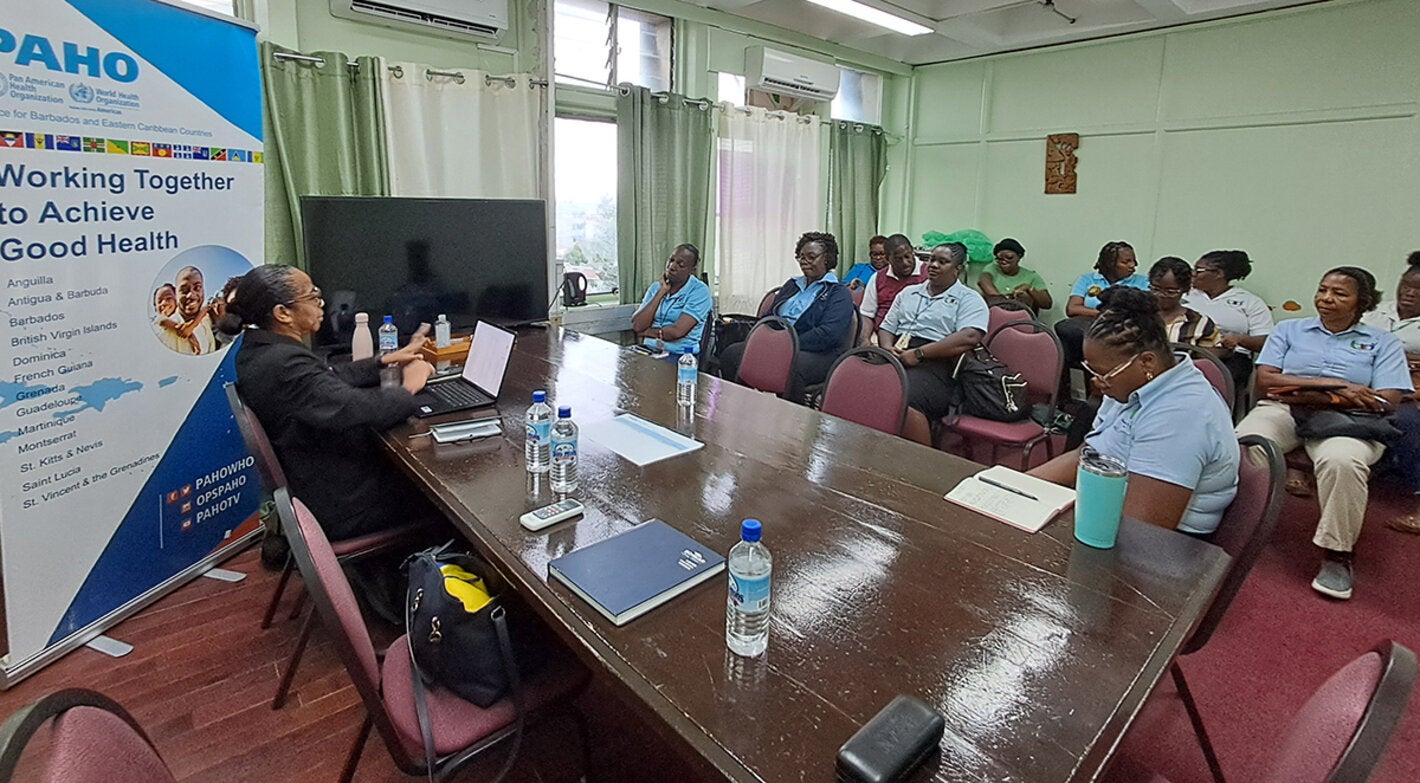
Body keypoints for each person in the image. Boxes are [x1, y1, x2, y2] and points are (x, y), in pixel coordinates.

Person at [218, 265, 438, 540]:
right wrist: (411, 385)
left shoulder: (259, 349)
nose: (321, 304)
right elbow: (360, 409)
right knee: (440, 492)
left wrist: (382, 362)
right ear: (282, 313)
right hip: (347, 506)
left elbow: (325, 377)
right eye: (311, 297)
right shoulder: (284, 364)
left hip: (320, 485)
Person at [1234, 267, 1412, 600]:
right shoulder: (1290, 329)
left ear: (1363, 302)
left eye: (1340, 293)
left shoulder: (1382, 342)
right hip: (1284, 411)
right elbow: (1268, 380)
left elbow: (1387, 400)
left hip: (1348, 421)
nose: (1326, 299)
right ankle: (1239, 525)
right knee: (1245, 443)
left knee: (1343, 461)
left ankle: (1337, 554)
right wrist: (1339, 387)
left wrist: (1313, 392)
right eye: (1322, 290)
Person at [1030, 287, 1239, 533]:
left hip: (1168, 546)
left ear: (1146, 361)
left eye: (1104, 373)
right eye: (1093, 371)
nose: (1097, 381)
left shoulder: (1181, 415)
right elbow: (1088, 455)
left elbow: (1143, 529)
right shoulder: (1130, 386)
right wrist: (1014, 484)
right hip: (1109, 508)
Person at [876, 243, 989, 446]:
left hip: (939, 363)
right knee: (862, 379)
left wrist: (919, 353)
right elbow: (887, 327)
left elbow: (970, 336)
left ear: (958, 269)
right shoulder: (908, 293)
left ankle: (921, 461)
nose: (933, 265)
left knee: (903, 393)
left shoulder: (969, 298)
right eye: (931, 260)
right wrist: (886, 348)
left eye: (942, 262)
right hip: (898, 353)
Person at [717, 231, 855, 397]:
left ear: (826, 258)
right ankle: (744, 405)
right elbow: (768, 318)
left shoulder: (838, 292)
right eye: (801, 257)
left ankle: (793, 420)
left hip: (819, 352)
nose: (804, 262)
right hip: (778, 345)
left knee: (791, 369)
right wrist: (768, 342)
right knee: (732, 354)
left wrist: (787, 345)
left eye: (811, 257)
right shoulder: (793, 284)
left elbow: (828, 334)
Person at [1361, 252, 1420, 533]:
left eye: (1418, 290)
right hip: (1362, 385)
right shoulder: (1374, 312)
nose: (1408, 294)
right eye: (1405, 286)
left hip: (1411, 392)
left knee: (1408, 422)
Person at [1055, 241, 1149, 392]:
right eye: (1126, 261)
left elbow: (1142, 311)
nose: (1133, 265)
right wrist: (1104, 314)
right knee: (1063, 333)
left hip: (1121, 335)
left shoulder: (1142, 282)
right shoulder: (1087, 280)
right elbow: (1072, 309)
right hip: (1087, 332)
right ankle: (1062, 394)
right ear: (1110, 263)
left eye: (1133, 260)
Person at [1183, 249, 1274, 395]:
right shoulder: (1185, 296)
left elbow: (1267, 342)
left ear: (1219, 274)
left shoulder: (1249, 302)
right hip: (1187, 350)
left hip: (1231, 357)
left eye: (1198, 270)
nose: (1193, 274)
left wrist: (1239, 339)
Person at [631, 243, 713, 355]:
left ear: (692, 270)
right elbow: (637, 325)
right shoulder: (656, 287)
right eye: (671, 260)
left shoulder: (699, 291)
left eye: (681, 264)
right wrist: (661, 292)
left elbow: (677, 332)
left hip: (680, 355)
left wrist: (648, 332)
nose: (672, 266)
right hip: (648, 350)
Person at [1148, 257, 1223, 352]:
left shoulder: (1199, 322)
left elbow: (1209, 356)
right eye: (1155, 289)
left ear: (1185, 289)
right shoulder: (1136, 315)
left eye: (1171, 292)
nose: (1161, 295)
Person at [859, 233, 926, 332]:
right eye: (898, 259)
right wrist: (865, 340)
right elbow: (866, 314)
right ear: (887, 259)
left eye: (907, 256)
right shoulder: (877, 278)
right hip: (881, 335)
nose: (905, 263)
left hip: (919, 334)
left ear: (913, 251)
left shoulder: (928, 274)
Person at [978, 238, 1051, 314]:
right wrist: (1004, 300)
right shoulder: (992, 268)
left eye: (1009, 257)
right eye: (999, 258)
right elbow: (984, 282)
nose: (1004, 261)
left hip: (1022, 317)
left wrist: (1029, 288)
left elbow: (1047, 304)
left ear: (1019, 257)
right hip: (996, 313)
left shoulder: (1031, 276)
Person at [175, 265, 217, 355]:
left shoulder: (208, 319)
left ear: (203, 290)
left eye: (197, 288)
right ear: (176, 294)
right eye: (184, 290)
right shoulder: (167, 328)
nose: (191, 295)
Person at [151, 283, 200, 353]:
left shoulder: (187, 316)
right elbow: (161, 321)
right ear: (155, 308)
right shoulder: (155, 324)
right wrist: (189, 334)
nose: (164, 303)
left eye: (168, 298)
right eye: (159, 301)